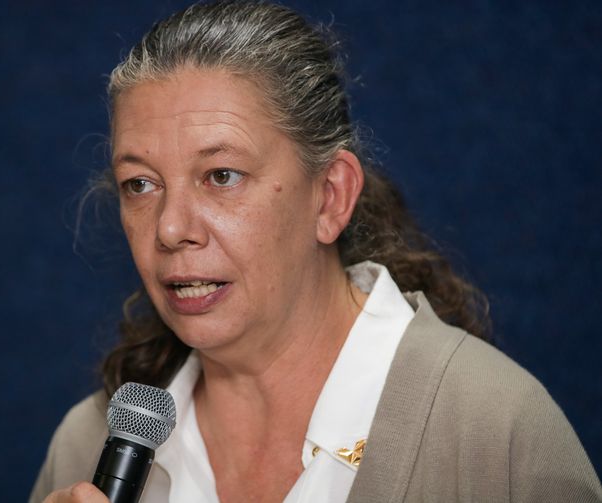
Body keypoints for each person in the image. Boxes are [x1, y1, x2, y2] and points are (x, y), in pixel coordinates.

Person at [30, 2, 601, 502]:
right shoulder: (88, 445)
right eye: (141, 184)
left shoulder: (495, 434)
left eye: (221, 175)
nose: (172, 228)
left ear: (329, 198)